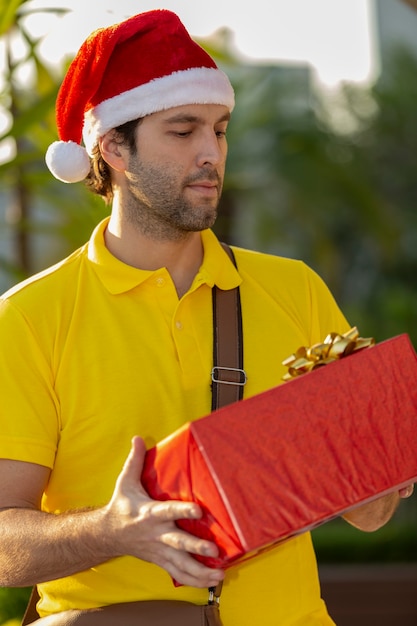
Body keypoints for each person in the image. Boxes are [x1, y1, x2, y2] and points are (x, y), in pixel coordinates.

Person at [0, 9, 413, 626]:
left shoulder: (293, 289)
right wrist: (114, 531)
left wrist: (377, 440)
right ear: (111, 147)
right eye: (182, 129)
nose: (210, 155)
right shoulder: (30, 318)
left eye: (219, 131)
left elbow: (372, 515)